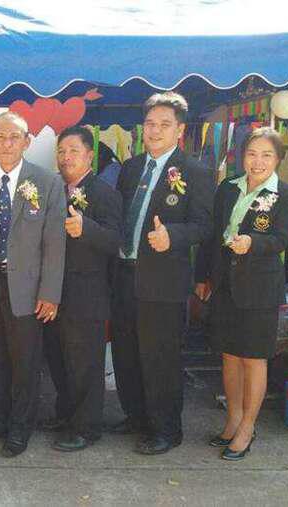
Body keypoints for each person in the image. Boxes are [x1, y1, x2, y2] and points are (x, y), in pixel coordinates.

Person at [110, 92, 214, 455]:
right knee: (126, 351)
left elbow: (205, 226)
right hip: (124, 273)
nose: (155, 131)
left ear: (180, 130)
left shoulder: (196, 172)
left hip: (163, 280)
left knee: (160, 358)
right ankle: (136, 416)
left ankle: (167, 429)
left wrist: (173, 235)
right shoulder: (130, 168)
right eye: (150, 123)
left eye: (164, 125)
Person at [0, 111, 66, 458]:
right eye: (1, 137)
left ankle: (20, 429)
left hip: (28, 289)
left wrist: (50, 293)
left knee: (25, 363)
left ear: (27, 142)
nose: (7, 144)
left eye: (14, 137)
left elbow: (55, 242)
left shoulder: (47, 182)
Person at [195, 127, 288, 460]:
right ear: (242, 157)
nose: (258, 162)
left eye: (266, 155)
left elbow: (280, 239)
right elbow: (213, 234)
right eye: (252, 154)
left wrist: (252, 243)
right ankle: (232, 419)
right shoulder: (228, 187)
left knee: (253, 358)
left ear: (278, 159)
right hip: (225, 283)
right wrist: (203, 276)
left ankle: (247, 427)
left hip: (260, 288)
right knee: (229, 355)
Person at [41, 126, 123, 452]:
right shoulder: (52, 189)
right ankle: (65, 415)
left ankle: (86, 428)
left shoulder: (104, 193)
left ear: (89, 155)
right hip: (52, 292)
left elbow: (115, 241)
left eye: (73, 151)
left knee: (84, 364)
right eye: (61, 151)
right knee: (58, 358)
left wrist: (86, 228)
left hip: (87, 295)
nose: (66, 157)